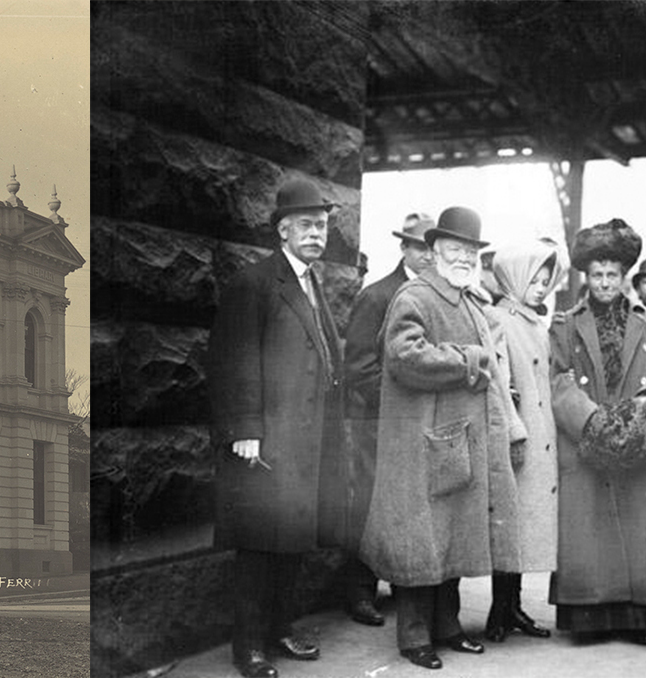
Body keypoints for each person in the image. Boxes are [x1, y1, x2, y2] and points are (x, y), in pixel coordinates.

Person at [361, 206, 521, 671]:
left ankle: (447, 628)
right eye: (455, 249)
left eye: (471, 251)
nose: (465, 257)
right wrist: (468, 360)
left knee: (450, 536)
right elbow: (402, 356)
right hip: (422, 443)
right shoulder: (417, 295)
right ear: (432, 252)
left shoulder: (469, 300)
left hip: (454, 441)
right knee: (422, 542)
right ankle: (413, 638)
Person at [208, 179, 349, 678]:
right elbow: (234, 360)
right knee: (258, 549)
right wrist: (246, 428)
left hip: (305, 442)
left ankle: (280, 630)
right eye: (307, 225)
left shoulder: (313, 283)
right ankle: (248, 647)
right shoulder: (255, 283)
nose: (317, 234)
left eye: (323, 225)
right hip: (266, 442)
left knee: (291, 542)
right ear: (283, 230)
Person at [545, 218, 646, 645]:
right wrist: (592, 419)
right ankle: (592, 619)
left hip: (640, 433)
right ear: (585, 277)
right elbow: (558, 379)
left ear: (624, 276)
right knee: (591, 531)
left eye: (613, 274)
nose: (605, 282)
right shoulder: (565, 325)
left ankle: (645, 619)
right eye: (597, 275)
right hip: (588, 436)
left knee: (640, 526)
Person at [335, 212, 440, 628]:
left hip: (416, 424)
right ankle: (358, 591)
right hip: (375, 421)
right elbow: (359, 368)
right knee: (369, 504)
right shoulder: (378, 295)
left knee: (409, 506)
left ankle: (402, 583)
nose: (428, 256)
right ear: (403, 248)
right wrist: (400, 407)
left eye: (433, 249)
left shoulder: (434, 295)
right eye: (419, 247)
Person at [479, 238, 562, 644]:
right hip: (519, 436)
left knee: (525, 529)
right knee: (509, 527)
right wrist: (514, 430)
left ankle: (512, 606)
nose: (542, 287)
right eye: (535, 279)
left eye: (547, 280)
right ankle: (500, 609)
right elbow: (499, 380)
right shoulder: (498, 318)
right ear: (514, 278)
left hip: (540, 434)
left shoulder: (534, 322)